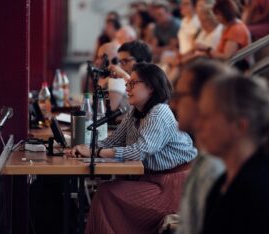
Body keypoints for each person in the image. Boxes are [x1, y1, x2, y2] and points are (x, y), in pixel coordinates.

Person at [70, 63, 197, 234]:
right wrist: (83, 148)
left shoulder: (159, 112)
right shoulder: (135, 112)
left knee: (106, 193)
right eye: (128, 83)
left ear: (150, 87)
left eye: (133, 83)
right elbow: (112, 141)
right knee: (106, 192)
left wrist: (94, 152)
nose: (127, 87)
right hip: (152, 181)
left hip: (173, 187)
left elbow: (140, 150)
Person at [198, 76, 269, 234]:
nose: (200, 125)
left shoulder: (261, 193)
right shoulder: (227, 179)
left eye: (207, 117)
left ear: (239, 126)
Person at [161, 58, 234, 234]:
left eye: (179, 96)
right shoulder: (204, 159)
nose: (172, 104)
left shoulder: (215, 168)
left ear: (205, 100)